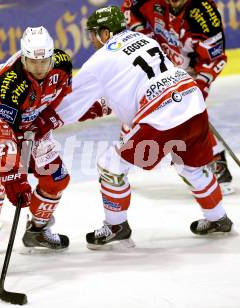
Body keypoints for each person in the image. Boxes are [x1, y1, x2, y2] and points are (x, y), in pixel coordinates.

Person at [55, 6, 233, 248]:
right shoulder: (143, 39)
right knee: (190, 167)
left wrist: (40, 119)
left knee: (111, 165)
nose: (91, 39)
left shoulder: (100, 59)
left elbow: (69, 104)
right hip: (192, 100)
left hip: (162, 116)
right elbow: (129, 86)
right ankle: (218, 218)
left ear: (105, 33)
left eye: (94, 33)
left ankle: (117, 226)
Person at [0, 26, 73, 275]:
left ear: (51, 56)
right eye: (33, 62)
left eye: (44, 61)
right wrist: (14, 174)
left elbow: (60, 96)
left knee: (57, 178)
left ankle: (37, 231)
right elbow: (3, 131)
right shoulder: (10, 82)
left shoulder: (62, 64)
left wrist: (42, 121)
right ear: (23, 57)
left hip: (28, 121)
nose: (39, 68)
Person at [121, 0, 233, 195]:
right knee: (136, 110)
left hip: (190, 72)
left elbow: (215, 59)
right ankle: (120, 165)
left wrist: (198, 87)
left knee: (187, 117)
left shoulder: (204, 14)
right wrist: (142, 33)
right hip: (159, 64)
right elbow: (128, 8)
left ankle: (216, 164)